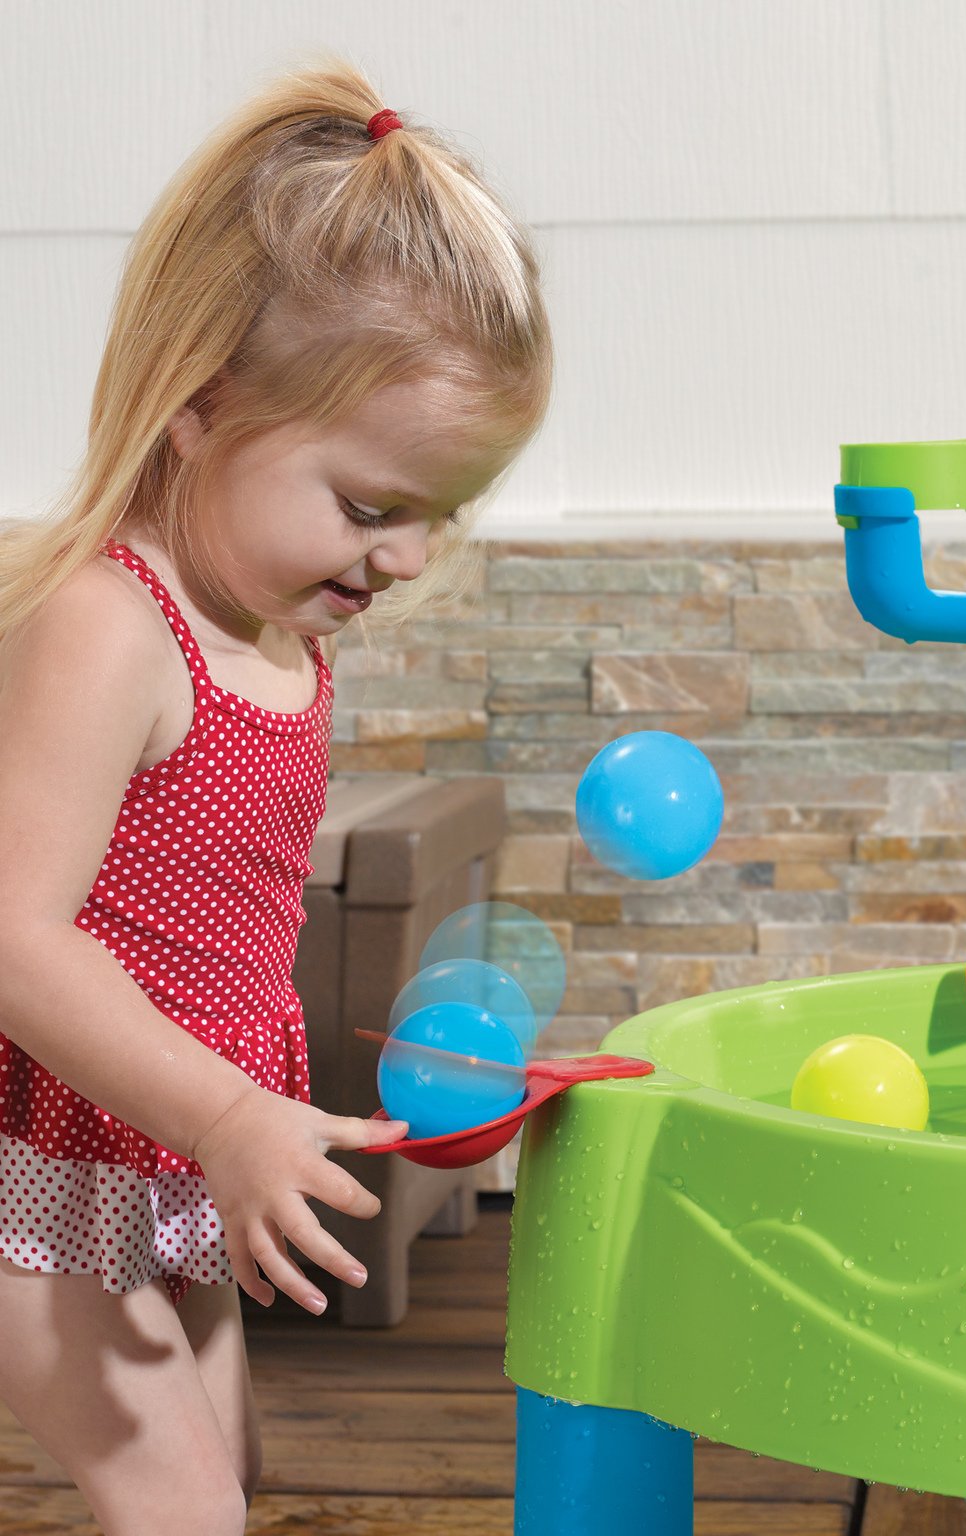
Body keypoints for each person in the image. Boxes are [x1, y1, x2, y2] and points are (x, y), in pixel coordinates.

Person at [0, 53, 552, 1536]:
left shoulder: (276, 633)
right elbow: (14, 935)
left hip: (158, 1142)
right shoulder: (111, 626)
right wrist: (233, 1115)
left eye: (440, 514)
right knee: (179, 1498)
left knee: (225, 1476)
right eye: (372, 506)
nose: (407, 558)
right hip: (32, 1159)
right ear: (201, 405)